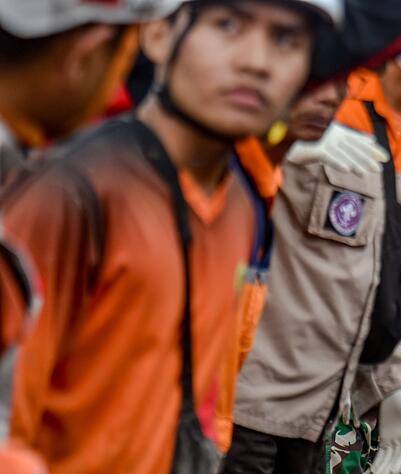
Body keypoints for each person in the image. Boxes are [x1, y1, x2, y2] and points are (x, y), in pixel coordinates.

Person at [0, 1, 344, 472]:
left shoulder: (239, 209)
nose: (257, 61)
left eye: (287, 41)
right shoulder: (73, 195)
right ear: (160, 34)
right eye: (228, 24)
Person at [227, 1, 401, 473]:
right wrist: (276, 132)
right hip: (241, 395)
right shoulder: (319, 91)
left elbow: (373, 276)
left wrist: (392, 379)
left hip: (317, 412)